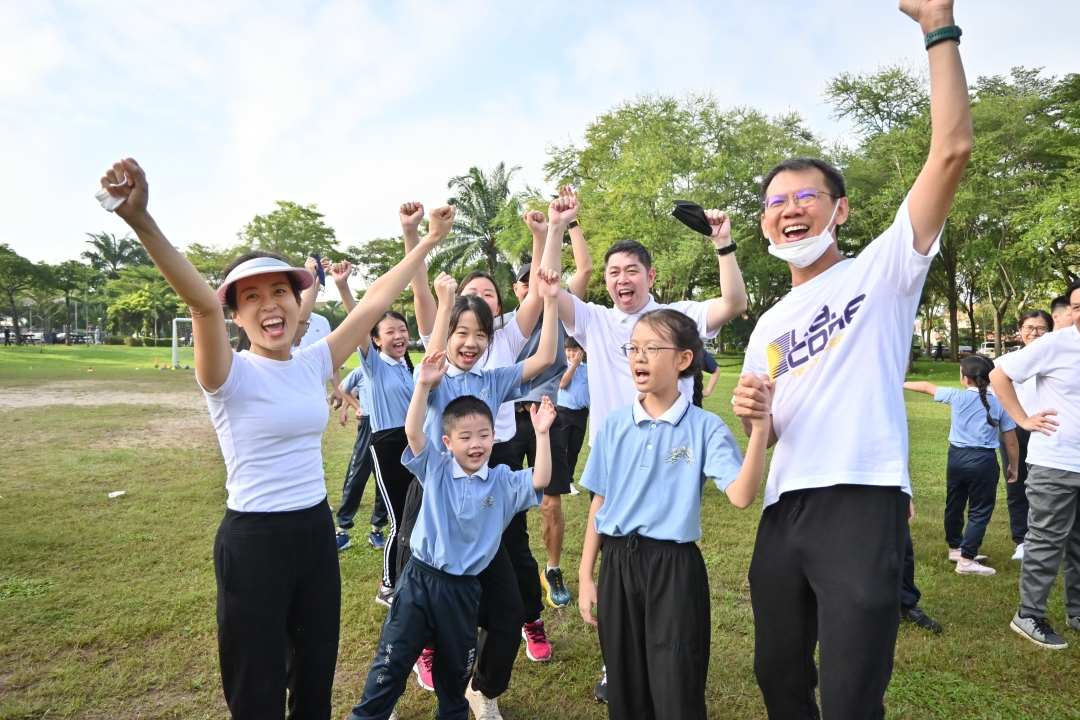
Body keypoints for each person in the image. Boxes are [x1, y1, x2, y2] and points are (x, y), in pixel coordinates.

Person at [96, 157, 453, 719]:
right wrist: (140, 218)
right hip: (254, 542)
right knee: (256, 690)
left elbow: (374, 303)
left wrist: (427, 242)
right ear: (237, 315)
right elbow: (200, 303)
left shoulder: (312, 362)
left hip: (313, 533)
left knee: (314, 679)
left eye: (280, 291)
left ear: (296, 301)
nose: (270, 304)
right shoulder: (228, 375)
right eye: (252, 297)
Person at [731, 3, 972, 714]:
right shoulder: (768, 323)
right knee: (777, 676)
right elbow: (768, 430)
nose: (790, 208)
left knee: (850, 691)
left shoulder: (883, 271)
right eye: (776, 201)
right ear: (764, 221)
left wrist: (937, 26)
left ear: (839, 209)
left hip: (862, 499)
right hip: (784, 509)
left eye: (807, 195)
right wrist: (755, 415)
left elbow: (951, 150)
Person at [536, 188, 747, 705]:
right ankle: (619, 662)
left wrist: (723, 245)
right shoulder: (595, 319)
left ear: (650, 276)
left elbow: (734, 303)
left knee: (660, 546)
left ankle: (665, 660)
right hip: (618, 445)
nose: (621, 279)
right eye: (613, 272)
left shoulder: (677, 316)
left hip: (673, 443)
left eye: (631, 270)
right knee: (611, 537)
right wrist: (558, 228)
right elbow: (549, 286)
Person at [577, 309, 769, 720]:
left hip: (673, 568)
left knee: (676, 684)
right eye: (633, 348)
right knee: (624, 684)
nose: (639, 357)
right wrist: (585, 575)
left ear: (683, 359)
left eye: (652, 348)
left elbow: (741, 495)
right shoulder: (614, 425)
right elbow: (599, 502)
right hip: (617, 564)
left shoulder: (704, 427)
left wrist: (759, 430)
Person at [345, 354, 556, 720]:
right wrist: (423, 385)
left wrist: (542, 433)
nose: (476, 445)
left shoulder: (502, 482)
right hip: (420, 582)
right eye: (465, 437)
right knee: (392, 661)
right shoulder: (436, 468)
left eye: (484, 436)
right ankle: (372, 712)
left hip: (463, 590)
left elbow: (540, 478)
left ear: (494, 436)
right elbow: (413, 433)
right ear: (447, 441)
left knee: (455, 676)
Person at [394, 268, 561, 717]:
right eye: (461, 333)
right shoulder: (437, 378)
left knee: (507, 612)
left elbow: (545, 356)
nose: (470, 343)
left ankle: (483, 690)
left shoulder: (492, 381)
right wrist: (445, 304)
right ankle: (394, 681)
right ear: (448, 335)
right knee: (414, 609)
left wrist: (549, 300)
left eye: (480, 334)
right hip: (433, 501)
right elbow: (431, 364)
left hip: (482, 505)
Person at [990, 279, 1080, 650]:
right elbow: (998, 374)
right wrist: (1022, 419)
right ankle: (1029, 615)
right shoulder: (1055, 343)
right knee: (1046, 540)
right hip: (1055, 462)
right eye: (1077, 307)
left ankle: (1077, 612)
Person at [904, 355, 1019, 576]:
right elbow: (1011, 440)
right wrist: (1013, 466)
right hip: (984, 461)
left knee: (954, 504)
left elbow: (926, 386)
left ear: (965, 378)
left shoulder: (956, 396)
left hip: (956, 458)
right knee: (980, 510)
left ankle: (955, 548)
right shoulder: (1000, 403)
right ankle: (966, 560)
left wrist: (897, 382)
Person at [1001, 309, 1052, 560]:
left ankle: (1048, 537)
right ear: (1020, 330)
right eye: (1029, 327)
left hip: (1048, 429)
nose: (1034, 332)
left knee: (1050, 487)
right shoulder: (1006, 362)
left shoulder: (1058, 359)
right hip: (1015, 430)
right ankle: (1021, 539)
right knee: (1016, 482)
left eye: (1041, 328)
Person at [335, 365, 389, 552]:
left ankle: (377, 530)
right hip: (368, 424)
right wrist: (357, 407)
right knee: (357, 476)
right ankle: (342, 530)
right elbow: (343, 388)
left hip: (390, 426)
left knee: (385, 480)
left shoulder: (400, 368)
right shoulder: (363, 369)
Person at [557, 336, 590, 486]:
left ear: (581, 351)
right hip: (563, 412)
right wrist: (574, 365)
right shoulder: (562, 366)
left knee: (574, 449)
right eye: (568, 350)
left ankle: (568, 481)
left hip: (581, 413)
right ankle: (559, 480)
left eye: (574, 350)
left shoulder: (588, 368)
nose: (571, 353)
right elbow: (563, 383)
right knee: (561, 448)